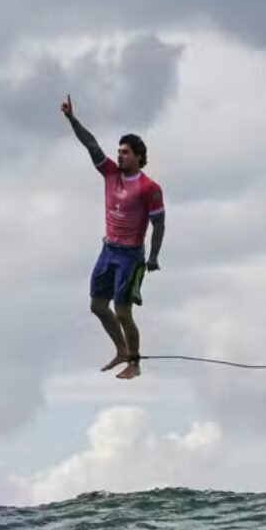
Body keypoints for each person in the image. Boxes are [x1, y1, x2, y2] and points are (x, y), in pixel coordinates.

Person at [61, 94, 165, 380]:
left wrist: (153, 257)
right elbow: (91, 144)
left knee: (122, 312)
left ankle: (134, 362)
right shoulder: (109, 174)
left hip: (130, 256)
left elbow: (159, 224)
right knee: (97, 306)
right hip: (108, 250)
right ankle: (121, 350)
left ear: (140, 157)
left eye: (126, 152)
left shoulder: (149, 188)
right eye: (119, 151)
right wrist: (72, 120)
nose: (120, 155)